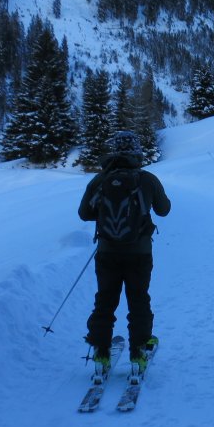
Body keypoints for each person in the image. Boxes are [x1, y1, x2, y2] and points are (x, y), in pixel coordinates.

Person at [78, 130, 170, 372]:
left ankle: (101, 352)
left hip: (107, 251)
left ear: (115, 151)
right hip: (139, 252)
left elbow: (84, 214)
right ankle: (139, 352)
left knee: (105, 299)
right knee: (138, 299)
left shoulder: (100, 180)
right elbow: (164, 210)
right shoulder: (147, 179)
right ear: (137, 152)